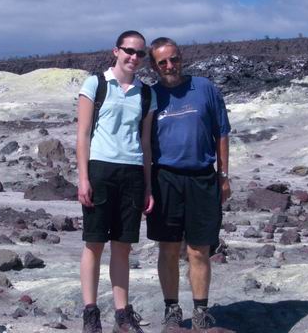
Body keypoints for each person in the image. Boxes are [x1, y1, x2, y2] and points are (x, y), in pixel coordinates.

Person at [146, 37, 231, 332]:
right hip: (165, 178)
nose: (171, 66)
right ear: (154, 66)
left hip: (202, 177)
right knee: (168, 248)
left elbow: (222, 131)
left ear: (181, 58)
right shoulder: (151, 96)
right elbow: (143, 143)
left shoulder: (205, 88)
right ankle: (172, 310)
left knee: (199, 249)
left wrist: (223, 175)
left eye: (175, 59)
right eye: (163, 62)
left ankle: (201, 312)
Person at [77, 30, 156, 333]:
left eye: (140, 53)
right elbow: (83, 134)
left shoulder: (146, 93)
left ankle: (122, 314)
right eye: (129, 51)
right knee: (94, 242)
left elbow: (146, 143)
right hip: (100, 170)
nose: (134, 57)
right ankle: (90, 312)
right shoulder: (96, 84)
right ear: (116, 51)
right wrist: (83, 178)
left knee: (123, 246)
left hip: (132, 172)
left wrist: (147, 185)